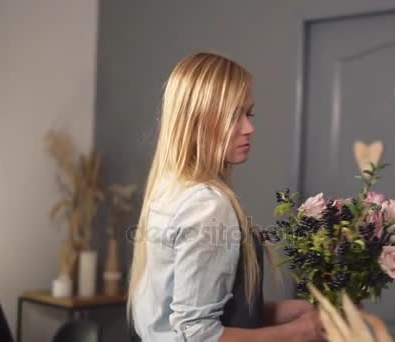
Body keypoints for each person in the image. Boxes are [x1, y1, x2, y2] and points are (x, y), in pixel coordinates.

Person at [127, 52, 324, 342]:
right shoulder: (206, 205)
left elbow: (202, 313)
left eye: (249, 113)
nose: (249, 128)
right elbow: (197, 335)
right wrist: (301, 332)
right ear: (198, 121)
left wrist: (289, 311)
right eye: (234, 116)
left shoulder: (169, 189)